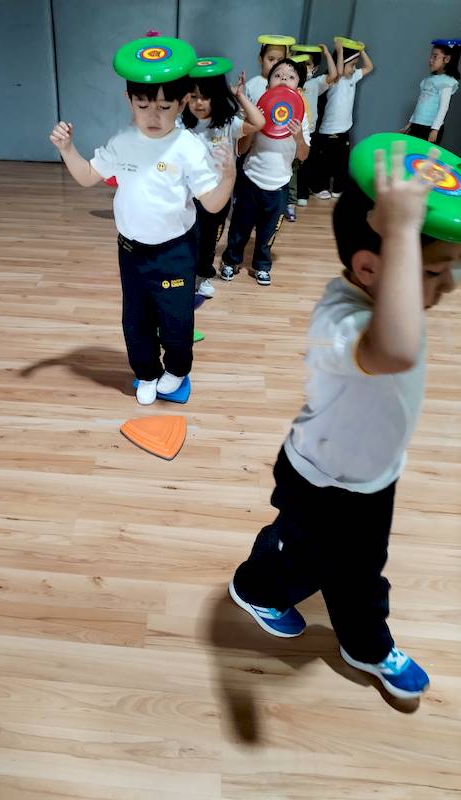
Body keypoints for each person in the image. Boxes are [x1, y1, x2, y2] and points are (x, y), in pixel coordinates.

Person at [228, 137, 460, 700]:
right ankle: (347, 634)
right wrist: (402, 232)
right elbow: (394, 351)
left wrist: (412, 237)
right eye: (435, 271)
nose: (451, 284)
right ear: (368, 267)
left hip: (371, 472)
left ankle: (287, 581)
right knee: (341, 567)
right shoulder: (343, 322)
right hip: (325, 479)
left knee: (336, 557)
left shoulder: (389, 299)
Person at [50, 36, 235, 405]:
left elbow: (213, 205)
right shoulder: (122, 142)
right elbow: (87, 176)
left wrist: (228, 176)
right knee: (135, 320)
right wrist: (67, 149)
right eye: (143, 105)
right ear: (129, 101)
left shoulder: (189, 148)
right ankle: (147, 372)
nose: (154, 116)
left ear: (182, 102)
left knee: (176, 320)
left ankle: (176, 369)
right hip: (131, 251)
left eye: (165, 106)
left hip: (174, 253)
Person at [220, 58, 310, 287]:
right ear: (268, 85)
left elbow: (303, 156)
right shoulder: (258, 111)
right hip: (250, 179)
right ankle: (231, 260)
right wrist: (253, 125)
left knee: (268, 232)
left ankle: (261, 265)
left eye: (291, 77)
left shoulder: (301, 119)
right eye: (278, 75)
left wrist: (299, 137)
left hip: (279, 186)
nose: (284, 78)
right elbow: (242, 149)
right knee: (239, 226)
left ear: (299, 90)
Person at [181, 61, 265, 297]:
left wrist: (239, 95)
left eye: (205, 97)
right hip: (189, 195)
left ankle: (202, 276)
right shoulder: (181, 125)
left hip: (218, 195)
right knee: (187, 238)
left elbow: (259, 123)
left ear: (217, 97)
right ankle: (184, 275)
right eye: (194, 96)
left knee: (209, 240)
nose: (199, 103)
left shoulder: (228, 124)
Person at [311, 39, 374, 200]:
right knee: (325, 162)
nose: (354, 69)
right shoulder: (334, 79)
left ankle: (339, 187)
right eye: (351, 65)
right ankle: (319, 187)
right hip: (328, 131)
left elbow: (369, 67)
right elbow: (338, 71)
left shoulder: (352, 78)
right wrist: (339, 51)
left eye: (355, 65)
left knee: (341, 163)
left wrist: (361, 51)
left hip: (344, 131)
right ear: (343, 62)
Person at [287, 45, 338, 218]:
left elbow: (333, 75)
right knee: (292, 165)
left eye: (307, 64)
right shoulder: (291, 84)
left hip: (310, 131)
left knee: (306, 164)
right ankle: (290, 198)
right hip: (292, 130)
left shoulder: (315, 83)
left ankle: (302, 194)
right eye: (300, 63)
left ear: (314, 68)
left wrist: (326, 54)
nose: (304, 67)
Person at [402, 38, 460, 144]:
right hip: (417, 125)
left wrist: (435, 129)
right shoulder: (429, 80)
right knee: (412, 150)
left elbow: (443, 107)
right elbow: (420, 104)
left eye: (435, 56)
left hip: (430, 128)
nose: (430, 60)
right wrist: (410, 123)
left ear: (447, 59)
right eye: (431, 56)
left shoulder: (446, 82)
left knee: (424, 153)